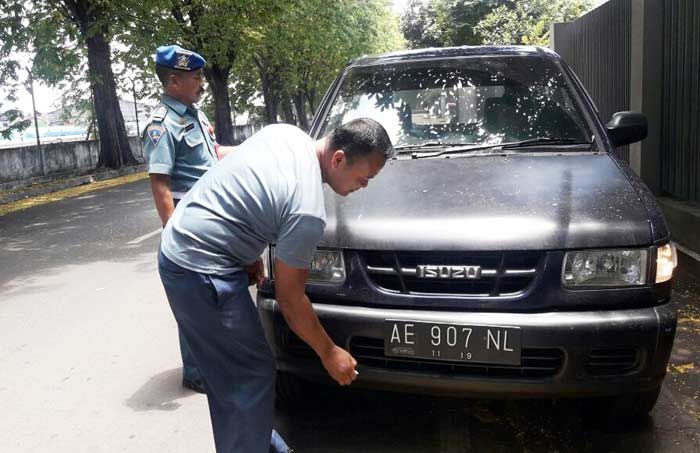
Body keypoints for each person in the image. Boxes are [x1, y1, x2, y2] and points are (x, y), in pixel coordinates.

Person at [158, 118, 394, 452]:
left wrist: (248, 253)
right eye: (363, 178)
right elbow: (290, 298)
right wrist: (329, 352)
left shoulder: (286, 134)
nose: (364, 186)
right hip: (198, 269)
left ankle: (261, 444)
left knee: (233, 374)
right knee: (249, 375)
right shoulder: (307, 211)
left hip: (182, 242)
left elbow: (246, 187)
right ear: (338, 159)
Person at [142, 44, 233, 394]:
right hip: (189, 219)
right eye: (195, 77)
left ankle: (215, 359)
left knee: (212, 292)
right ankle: (197, 371)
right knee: (193, 297)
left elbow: (214, 155)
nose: (201, 83)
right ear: (174, 81)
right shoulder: (161, 125)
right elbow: (160, 184)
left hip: (212, 215)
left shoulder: (195, 114)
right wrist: (174, 234)